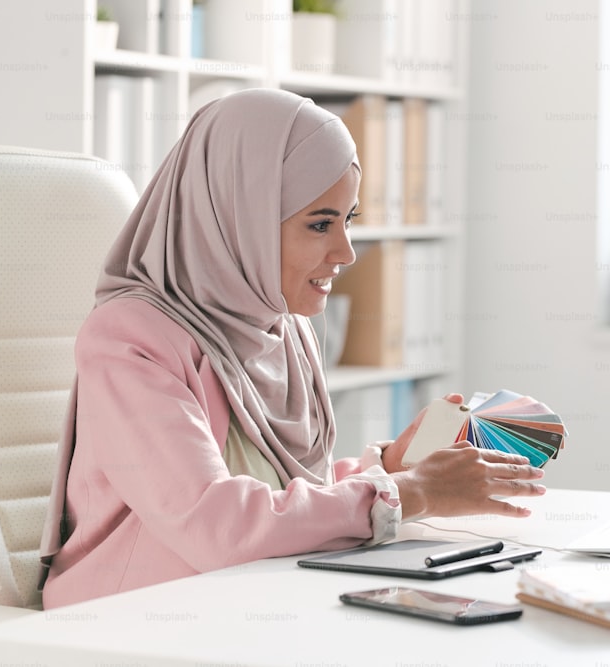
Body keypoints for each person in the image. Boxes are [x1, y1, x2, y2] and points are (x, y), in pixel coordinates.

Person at [39, 88, 546, 608]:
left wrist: (394, 466)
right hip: (132, 616)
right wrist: (412, 493)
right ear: (238, 216)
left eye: (348, 220)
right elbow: (216, 524)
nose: (345, 252)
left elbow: (287, 497)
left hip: (257, 599)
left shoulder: (280, 323)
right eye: (320, 224)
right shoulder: (129, 339)